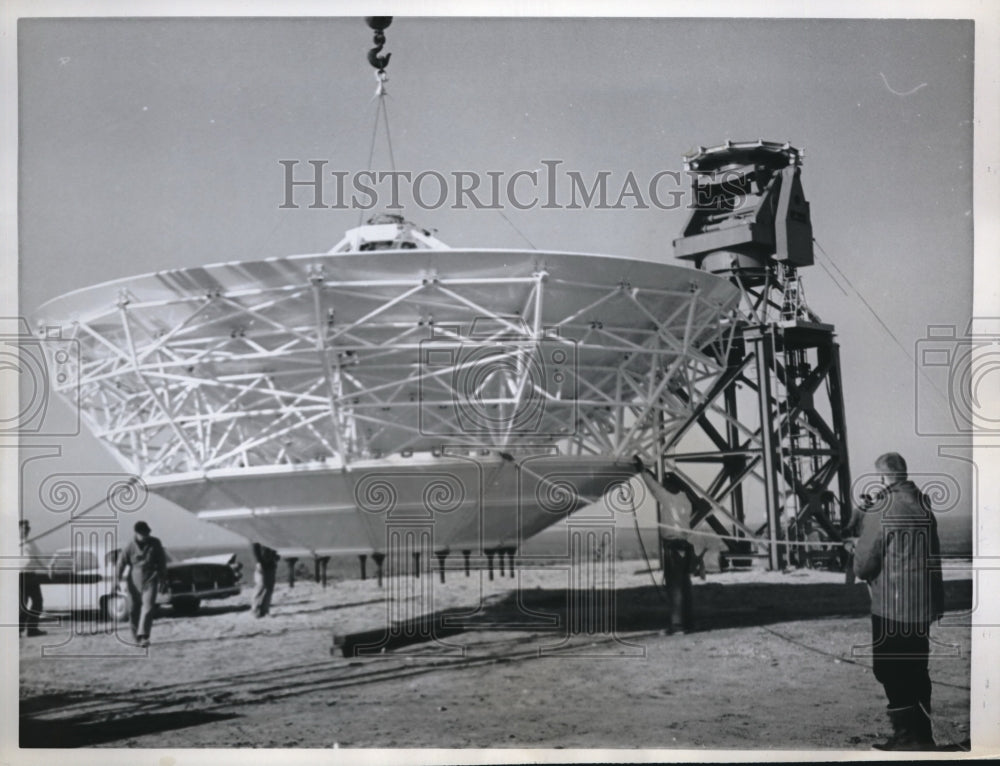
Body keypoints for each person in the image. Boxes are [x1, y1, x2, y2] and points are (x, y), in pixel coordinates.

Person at [853, 452, 944, 751]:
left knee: (890, 670)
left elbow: (864, 565)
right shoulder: (923, 503)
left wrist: (865, 517)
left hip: (891, 606)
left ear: (881, 477)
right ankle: (922, 736)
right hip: (922, 605)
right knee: (917, 670)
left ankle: (906, 736)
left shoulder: (882, 509)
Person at [639, 468, 697, 634]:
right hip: (684, 545)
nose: (664, 487)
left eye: (666, 485)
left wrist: (641, 470)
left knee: (675, 587)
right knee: (685, 586)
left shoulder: (669, 499)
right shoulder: (685, 500)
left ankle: (677, 625)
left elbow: (653, 488)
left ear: (672, 486)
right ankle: (688, 623)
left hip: (673, 547)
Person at [115, 520, 169, 647]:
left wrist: (163, 579)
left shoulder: (155, 543)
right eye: (143, 534)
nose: (146, 536)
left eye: (147, 533)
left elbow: (162, 562)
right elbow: (120, 564)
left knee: (148, 608)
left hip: (151, 579)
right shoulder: (129, 546)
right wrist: (115, 581)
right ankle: (136, 638)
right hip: (134, 581)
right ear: (137, 534)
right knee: (133, 609)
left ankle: (143, 635)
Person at [19, 520, 46, 637]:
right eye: (22, 528)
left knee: (38, 602)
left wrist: (48, 568)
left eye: (27, 529)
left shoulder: (31, 543)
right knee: (22, 604)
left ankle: (32, 629)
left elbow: (40, 558)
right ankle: (18, 630)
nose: (25, 530)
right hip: (18, 576)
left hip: (31, 575)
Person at [251, 542, 280, 618]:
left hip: (270, 564)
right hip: (262, 564)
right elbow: (255, 549)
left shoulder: (269, 537)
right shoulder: (257, 537)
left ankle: (265, 611)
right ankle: (255, 610)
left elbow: (273, 550)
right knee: (261, 586)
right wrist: (259, 562)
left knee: (269, 588)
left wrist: (275, 557)